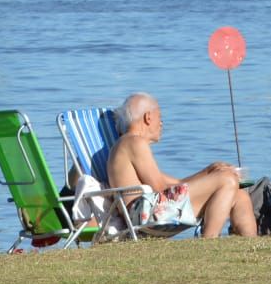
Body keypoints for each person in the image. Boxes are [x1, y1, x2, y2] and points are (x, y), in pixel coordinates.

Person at [106, 92, 256, 238]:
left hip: (150, 209)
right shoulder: (134, 142)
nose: (161, 123)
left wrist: (208, 171)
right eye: (160, 117)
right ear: (148, 117)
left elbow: (177, 184)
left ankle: (250, 246)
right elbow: (160, 188)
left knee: (238, 192)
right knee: (227, 179)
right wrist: (219, 178)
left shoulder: (127, 145)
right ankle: (209, 242)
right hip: (145, 214)